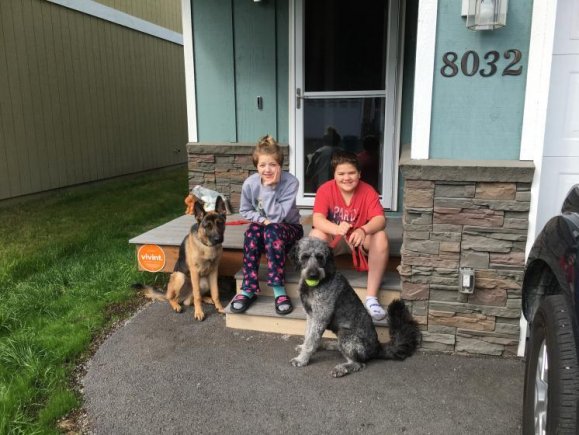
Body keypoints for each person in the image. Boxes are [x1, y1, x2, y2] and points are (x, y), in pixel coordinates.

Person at [309, 150, 389, 320]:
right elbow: (317, 219)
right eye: (341, 174)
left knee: (380, 236)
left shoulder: (368, 191)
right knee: (316, 235)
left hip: (359, 241)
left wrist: (363, 230)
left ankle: (371, 298)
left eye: (351, 173)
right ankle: (319, 294)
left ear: (359, 173)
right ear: (334, 175)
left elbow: (380, 219)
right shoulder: (325, 189)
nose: (346, 178)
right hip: (336, 240)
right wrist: (336, 228)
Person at [230, 135, 303, 315]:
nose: (267, 169)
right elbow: (245, 210)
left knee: (272, 230)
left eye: (272, 164)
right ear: (256, 166)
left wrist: (269, 188)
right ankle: (248, 288)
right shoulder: (250, 183)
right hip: (265, 227)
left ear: (280, 165)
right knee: (252, 233)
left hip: (289, 229)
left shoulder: (291, 182)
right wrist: (263, 220)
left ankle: (279, 289)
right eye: (262, 165)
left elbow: (278, 217)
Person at [305, 126, 342, 192]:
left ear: (324, 140)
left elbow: (310, 171)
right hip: (339, 184)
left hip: (320, 183)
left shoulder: (319, 153)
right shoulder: (343, 153)